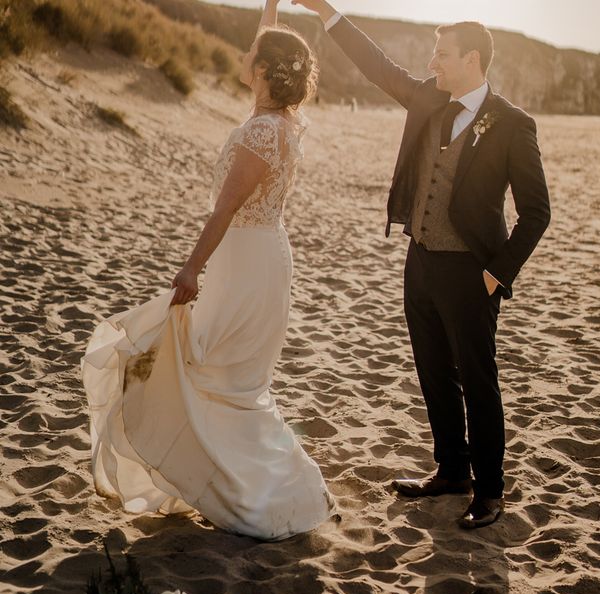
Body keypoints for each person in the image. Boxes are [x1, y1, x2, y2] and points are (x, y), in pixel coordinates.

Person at [81, 0, 335, 541]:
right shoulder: (283, 122)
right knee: (234, 378)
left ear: (263, 72)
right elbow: (269, 43)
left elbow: (223, 210)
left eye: (252, 54)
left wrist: (192, 268)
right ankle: (265, 481)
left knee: (213, 371)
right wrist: (269, 8)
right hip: (266, 254)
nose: (245, 54)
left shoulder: (261, 133)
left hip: (241, 260)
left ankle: (250, 492)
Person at [292, 0, 551, 528]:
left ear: (473, 60)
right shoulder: (430, 100)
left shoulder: (513, 125)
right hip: (421, 262)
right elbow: (377, 65)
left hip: (471, 274)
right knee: (434, 373)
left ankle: (490, 490)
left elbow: (536, 213)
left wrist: (496, 273)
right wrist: (325, 12)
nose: (434, 64)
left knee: (478, 380)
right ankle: (452, 470)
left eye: (443, 55)